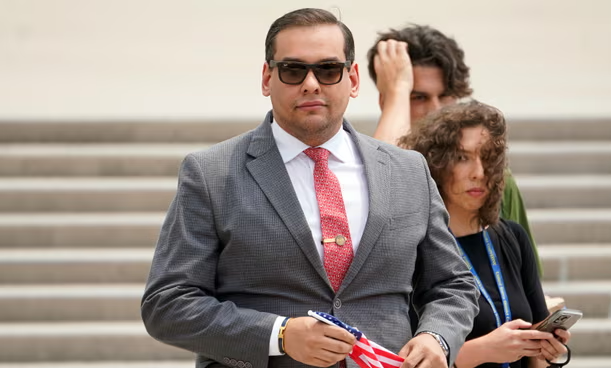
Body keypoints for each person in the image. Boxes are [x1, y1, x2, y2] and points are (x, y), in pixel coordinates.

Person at [141, 8, 479, 368]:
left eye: (329, 69)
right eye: (293, 70)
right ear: (267, 78)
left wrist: (437, 337)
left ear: (353, 79)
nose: (311, 84)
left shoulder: (407, 170)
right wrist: (279, 335)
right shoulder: (210, 173)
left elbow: (454, 285)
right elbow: (168, 303)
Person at [401, 101, 571, 368]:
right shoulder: (415, 249)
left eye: (488, 157)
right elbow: (406, 357)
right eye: (463, 157)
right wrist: (480, 351)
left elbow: (537, 357)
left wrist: (546, 349)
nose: (479, 173)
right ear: (436, 164)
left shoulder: (512, 237)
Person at [366, 25, 543, 277]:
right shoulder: (375, 166)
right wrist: (397, 91)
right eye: (418, 97)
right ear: (388, 102)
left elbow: (527, 280)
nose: (437, 110)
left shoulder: (493, 178)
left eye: (446, 96)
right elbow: (383, 182)